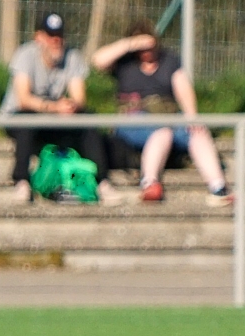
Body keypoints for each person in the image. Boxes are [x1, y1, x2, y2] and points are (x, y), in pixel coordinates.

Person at [90, 22, 233, 207]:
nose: (146, 51)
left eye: (149, 46)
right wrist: (130, 44)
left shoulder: (169, 60)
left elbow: (182, 87)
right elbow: (98, 61)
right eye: (141, 47)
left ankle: (218, 187)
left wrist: (192, 116)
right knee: (162, 132)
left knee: (198, 131)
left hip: (167, 117)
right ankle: (149, 184)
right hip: (133, 120)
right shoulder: (125, 63)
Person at [1, 13, 118, 204]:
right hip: (23, 116)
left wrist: (70, 107)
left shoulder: (73, 56)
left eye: (59, 36)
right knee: (25, 121)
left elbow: (79, 98)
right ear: (39, 37)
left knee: (88, 119)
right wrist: (55, 107)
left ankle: (102, 181)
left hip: (53, 119)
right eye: (51, 36)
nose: (56, 41)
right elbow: (23, 99)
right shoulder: (25, 54)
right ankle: (21, 181)